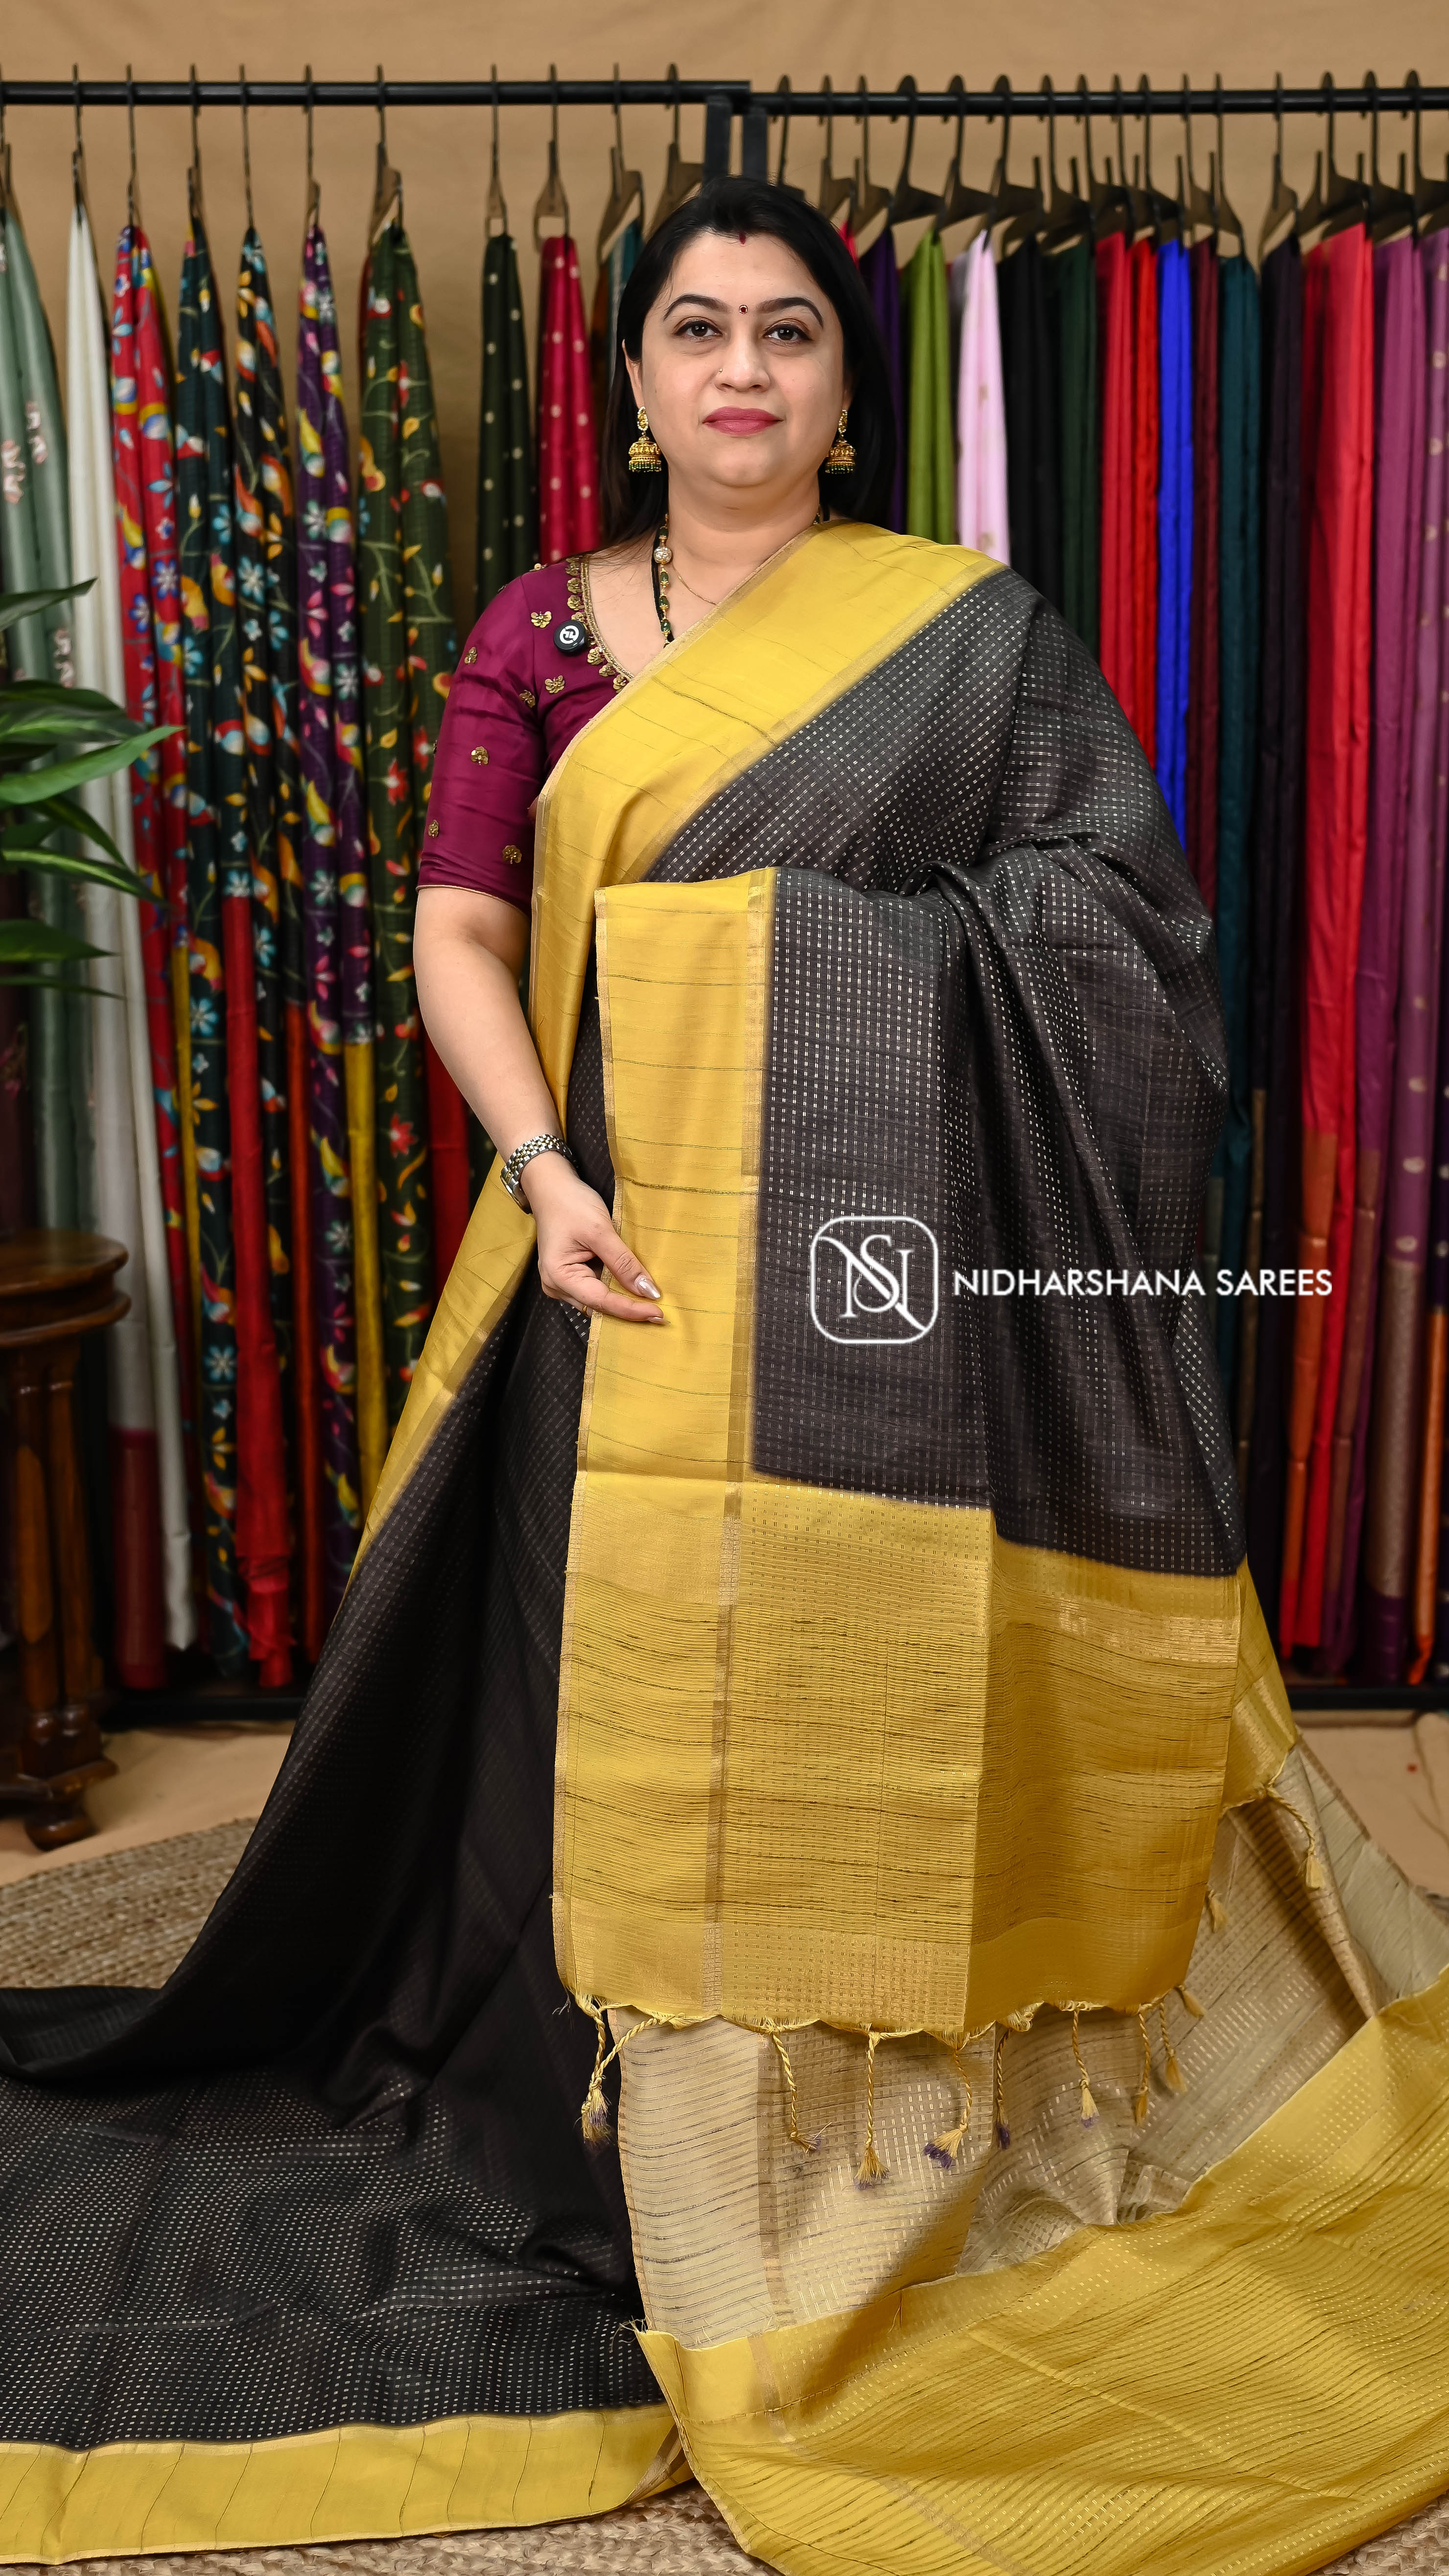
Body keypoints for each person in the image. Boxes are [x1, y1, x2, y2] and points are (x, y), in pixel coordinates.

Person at [0, 180, 1444, 2576]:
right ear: (639, 378)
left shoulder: (966, 633)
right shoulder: (544, 631)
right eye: (697, 328)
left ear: (844, 388)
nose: (742, 369)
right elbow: (463, 925)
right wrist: (545, 1162)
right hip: (624, 1267)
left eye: (786, 330)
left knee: (873, 1694)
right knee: (619, 1698)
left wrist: (807, 964)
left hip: (895, 1294)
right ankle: (637, 2144)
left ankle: (897, 2149)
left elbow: (1120, 930)